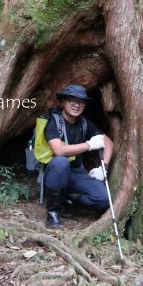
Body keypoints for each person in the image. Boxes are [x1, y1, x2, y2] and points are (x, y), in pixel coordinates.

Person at [44, 84, 114, 229]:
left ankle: (69, 200)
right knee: (60, 162)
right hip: (55, 172)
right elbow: (59, 150)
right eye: (72, 101)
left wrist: (104, 167)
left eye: (81, 102)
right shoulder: (53, 121)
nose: (76, 105)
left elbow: (108, 142)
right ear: (63, 102)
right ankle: (53, 213)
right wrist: (89, 145)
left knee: (104, 199)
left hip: (76, 173)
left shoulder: (83, 122)